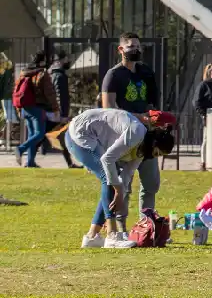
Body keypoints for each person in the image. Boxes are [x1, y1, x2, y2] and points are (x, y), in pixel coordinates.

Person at [64, 107, 174, 248]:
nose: (154, 157)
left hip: (93, 137)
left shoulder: (143, 150)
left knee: (112, 179)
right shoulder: (136, 132)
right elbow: (107, 160)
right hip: (79, 134)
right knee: (108, 178)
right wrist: (119, 191)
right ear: (154, 144)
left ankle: (92, 236)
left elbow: (126, 174)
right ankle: (112, 235)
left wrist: (119, 193)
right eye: (157, 153)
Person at [100, 33, 161, 220]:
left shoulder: (146, 72)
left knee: (151, 184)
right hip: (124, 136)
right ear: (120, 49)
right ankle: (120, 227)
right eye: (131, 46)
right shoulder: (113, 75)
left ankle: (146, 224)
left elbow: (152, 102)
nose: (136, 49)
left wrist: (155, 118)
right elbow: (108, 109)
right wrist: (138, 118)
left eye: (138, 46)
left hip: (147, 136)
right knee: (123, 184)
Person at [13, 51, 58, 168]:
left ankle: (31, 162)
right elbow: (49, 93)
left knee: (32, 135)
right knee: (39, 133)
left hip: (25, 108)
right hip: (37, 108)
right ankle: (20, 149)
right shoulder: (42, 74)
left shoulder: (25, 72)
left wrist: (19, 109)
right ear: (43, 61)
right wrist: (55, 108)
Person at [42, 54, 78, 167]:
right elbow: (60, 96)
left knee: (58, 137)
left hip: (53, 111)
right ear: (62, 60)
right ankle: (23, 150)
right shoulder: (60, 76)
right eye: (67, 59)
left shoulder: (52, 74)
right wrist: (62, 114)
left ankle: (70, 163)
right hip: (58, 113)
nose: (69, 61)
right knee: (62, 137)